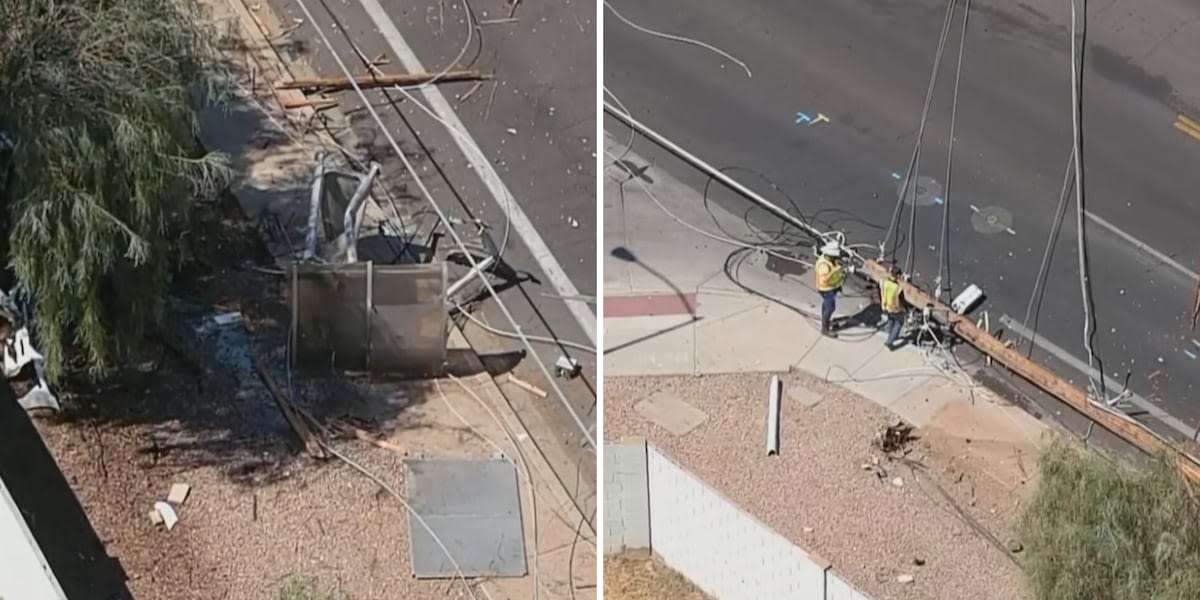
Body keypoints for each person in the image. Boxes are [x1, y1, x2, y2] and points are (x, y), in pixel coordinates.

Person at [815, 241, 845, 338]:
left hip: (832, 287)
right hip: (826, 289)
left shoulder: (829, 260)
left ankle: (825, 320)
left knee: (826, 305)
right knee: (830, 307)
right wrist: (835, 271)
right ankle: (825, 329)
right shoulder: (824, 266)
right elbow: (824, 280)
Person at [880, 265, 906, 350]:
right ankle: (889, 342)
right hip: (895, 308)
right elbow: (902, 300)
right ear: (897, 275)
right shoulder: (898, 288)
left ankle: (890, 334)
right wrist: (905, 310)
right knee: (899, 323)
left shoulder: (885, 283)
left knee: (891, 320)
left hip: (885, 306)